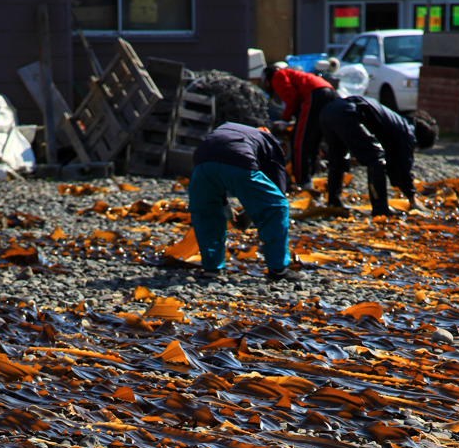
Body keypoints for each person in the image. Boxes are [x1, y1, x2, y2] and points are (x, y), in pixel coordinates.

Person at [188, 121, 303, 283]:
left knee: (207, 213)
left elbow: (216, 163)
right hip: (240, 159)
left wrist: (226, 207)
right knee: (277, 207)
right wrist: (251, 213)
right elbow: (277, 191)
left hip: (203, 161)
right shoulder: (269, 141)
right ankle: (278, 270)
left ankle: (212, 268)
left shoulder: (226, 128)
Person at [319, 95, 438, 216]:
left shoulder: (396, 122)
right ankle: (380, 209)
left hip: (328, 111)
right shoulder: (407, 132)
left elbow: (394, 166)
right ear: (419, 141)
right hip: (348, 113)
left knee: (338, 159)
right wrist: (412, 198)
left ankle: (334, 203)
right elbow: (402, 168)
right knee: (375, 159)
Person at [260, 62, 336, 193]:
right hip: (329, 91)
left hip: (315, 93)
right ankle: (312, 177)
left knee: (300, 142)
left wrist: (284, 120)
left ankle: (303, 182)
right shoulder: (292, 74)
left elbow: (291, 98)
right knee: (314, 138)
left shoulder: (278, 76)